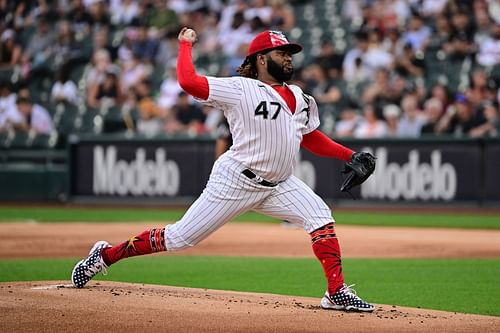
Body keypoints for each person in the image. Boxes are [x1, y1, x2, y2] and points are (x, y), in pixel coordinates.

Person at [71, 28, 375, 312]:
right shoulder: (240, 88)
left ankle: (335, 292)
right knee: (179, 238)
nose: (288, 57)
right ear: (261, 59)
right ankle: (106, 255)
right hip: (236, 181)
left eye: (289, 52)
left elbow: (309, 137)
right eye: (281, 52)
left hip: (280, 184)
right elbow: (189, 82)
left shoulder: (299, 97)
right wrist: (185, 44)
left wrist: (349, 154)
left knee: (320, 216)